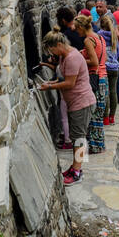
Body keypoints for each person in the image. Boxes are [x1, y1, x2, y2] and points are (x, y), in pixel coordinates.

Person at [40, 31, 96, 186]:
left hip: (82, 102)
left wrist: (49, 86)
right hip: (75, 102)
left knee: (79, 138)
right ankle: (75, 167)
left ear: (58, 45)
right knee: (77, 137)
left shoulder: (72, 58)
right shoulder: (65, 56)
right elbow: (63, 78)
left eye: (52, 50)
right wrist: (52, 83)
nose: (51, 54)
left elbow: (70, 83)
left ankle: (77, 172)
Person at [75, 14, 106, 154]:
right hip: (103, 77)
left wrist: (79, 59)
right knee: (98, 113)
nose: (77, 32)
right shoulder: (99, 37)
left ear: (81, 27)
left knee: (92, 114)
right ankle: (99, 144)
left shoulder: (88, 40)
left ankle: (93, 146)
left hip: (94, 77)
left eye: (77, 29)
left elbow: (94, 62)